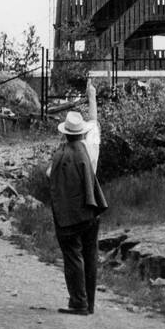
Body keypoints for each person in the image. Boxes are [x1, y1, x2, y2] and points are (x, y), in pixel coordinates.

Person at [47, 82, 107, 316]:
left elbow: (50, 176)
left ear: (65, 133)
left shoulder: (62, 153)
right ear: (82, 131)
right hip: (92, 210)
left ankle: (78, 302)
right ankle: (89, 303)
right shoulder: (91, 144)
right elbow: (94, 120)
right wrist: (92, 95)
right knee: (90, 256)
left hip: (71, 214)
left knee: (72, 256)